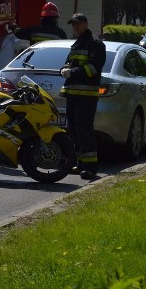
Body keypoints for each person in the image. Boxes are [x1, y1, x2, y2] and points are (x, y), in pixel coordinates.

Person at [59, 12, 106, 180]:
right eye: (73, 24)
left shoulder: (95, 43)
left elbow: (93, 69)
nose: (75, 27)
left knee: (84, 130)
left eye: (78, 24)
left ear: (86, 23)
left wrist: (72, 72)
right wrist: (64, 70)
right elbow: (68, 63)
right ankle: (80, 163)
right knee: (74, 130)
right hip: (73, 94)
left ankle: (91, 168)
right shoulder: (77, 43)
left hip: (86, 95)